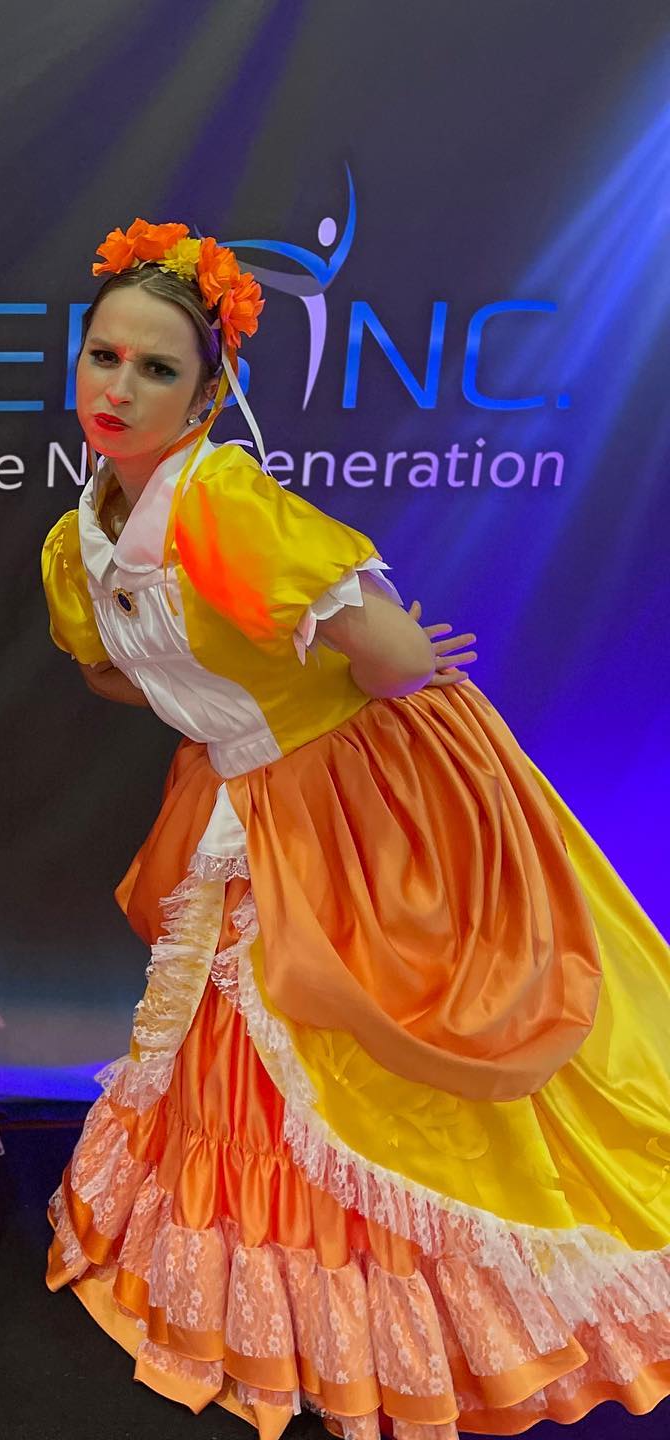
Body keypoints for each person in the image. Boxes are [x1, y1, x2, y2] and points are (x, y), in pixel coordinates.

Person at [41, 218, 670, 1438]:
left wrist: (333, 687)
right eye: (104, 357)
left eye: (156, 368)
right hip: (252, 790)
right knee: (251, 1032)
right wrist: (220, 711)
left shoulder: (219, 500)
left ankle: (433, 1302)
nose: (118, 388)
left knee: (378, 1026)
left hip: (357, 784)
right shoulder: (81, 536)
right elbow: (108, 667)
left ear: (208, 394)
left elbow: (385, 650)